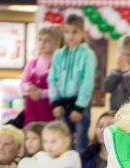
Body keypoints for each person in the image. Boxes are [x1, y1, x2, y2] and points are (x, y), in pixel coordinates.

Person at [48, 14, 97, 154]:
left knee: (81, 141)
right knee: (63, 140)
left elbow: (87, 82)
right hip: (62, 102)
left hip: (80, 103)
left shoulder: (88, 54)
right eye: (67, 31)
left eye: (74, 32)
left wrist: (79, 107)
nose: (70, 35)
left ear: (82, 33)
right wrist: (55, 102)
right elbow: (52, 79)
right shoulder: (59, 55)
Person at [22, 26, 62, 125]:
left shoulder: (58, 64)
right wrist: (29, 88)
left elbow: (60, 88)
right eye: (40, 40)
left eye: (47, 40)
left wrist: (41, 93)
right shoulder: (32, 63)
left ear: (56, 43)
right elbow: (23, 83)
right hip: (31, 109)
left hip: (49, 109)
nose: (42, 43)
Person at [104, 32, 130, 111]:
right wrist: (116, 72)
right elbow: (107, 88)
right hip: (113, 112)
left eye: (129, 55)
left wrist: (126, 72)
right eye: (122, 54)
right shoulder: (116, 72)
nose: (124, 58)